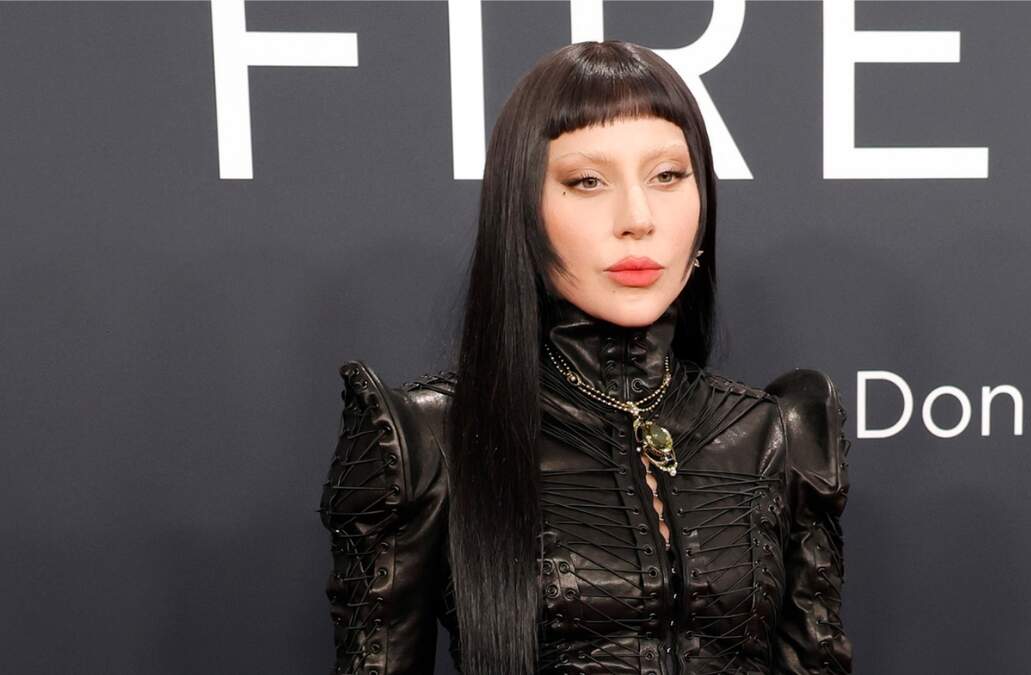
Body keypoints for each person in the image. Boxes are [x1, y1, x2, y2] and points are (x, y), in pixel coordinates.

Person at [318, 40, 853, 675]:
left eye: (667, 176)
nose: (638, 218)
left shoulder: (774, 433)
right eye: (587, 182)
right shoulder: (427, 438)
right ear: (524, 211)